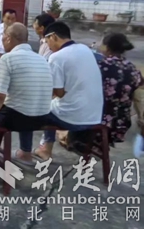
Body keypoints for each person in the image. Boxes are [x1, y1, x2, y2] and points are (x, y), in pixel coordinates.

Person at [22, 22, 103, 162]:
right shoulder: (85, 49)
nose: (48, 46)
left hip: (73, 118)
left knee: (26, 111)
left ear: (53, 36)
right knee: (52, 105)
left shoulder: (57, 57)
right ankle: (46, 147)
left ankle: (29, 152)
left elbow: (58, 93)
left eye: (47, 41)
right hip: (94, 116)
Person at [0, 23, 53, 165]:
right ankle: (25, 153)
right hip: (42, 117)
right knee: (22, 104)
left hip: (18, 118)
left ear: (8, 38)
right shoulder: (42, 59)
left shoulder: (7, 58)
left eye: (2, 36)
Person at [96, 33, 142, 146]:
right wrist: (141, 118)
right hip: (120, 125)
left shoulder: (100, 65)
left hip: (97, 121)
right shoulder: (131, 67)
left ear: (107, 47)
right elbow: (138, 94)